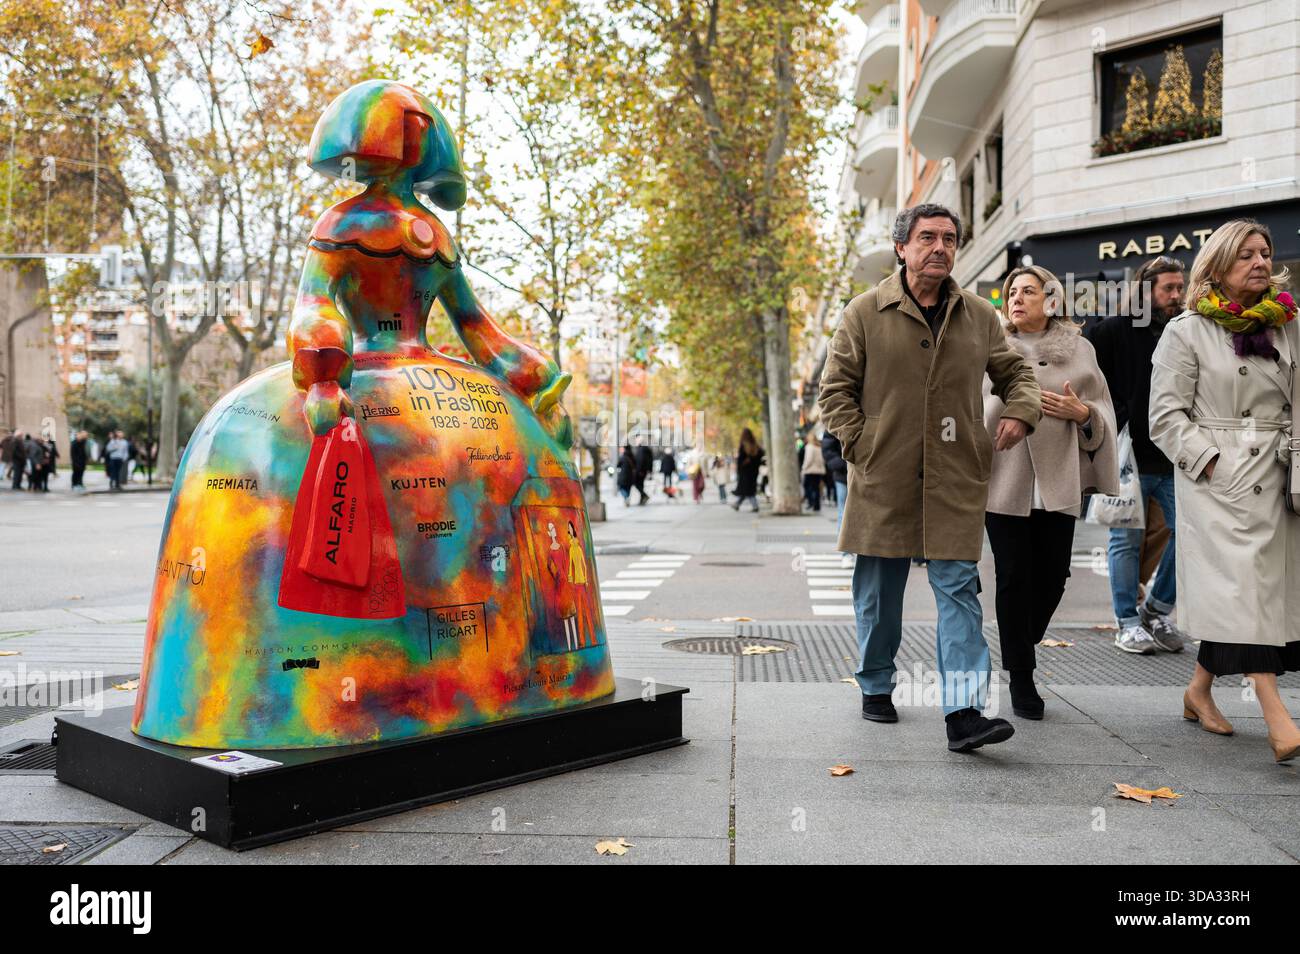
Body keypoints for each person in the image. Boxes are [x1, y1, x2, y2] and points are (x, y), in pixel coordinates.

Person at [818, 203, 1041, 752]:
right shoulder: (864, 312)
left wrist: (1020, 409)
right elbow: (834, 391)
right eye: (927, 238)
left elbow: (1015, 372)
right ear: (902, 248)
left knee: (960, 590)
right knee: (878, 593)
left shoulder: (981, 316)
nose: (939, 247)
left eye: (948, 238)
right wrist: (863, 444)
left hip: (954, 476)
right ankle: (874, 683)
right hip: (882, 476)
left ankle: (964, 712)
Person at [1149, 219, 1300, 763]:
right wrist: (1211, 463)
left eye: (1265, 253)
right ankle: (1274, 709)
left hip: (1282, 473)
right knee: (1246, 588)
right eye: (1246, 256)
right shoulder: (1185, 331)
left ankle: (1198, 689)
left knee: (1255, 591)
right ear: (1216, 267)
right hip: (1221, 479)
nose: (1260, 262)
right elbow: (1164, 419)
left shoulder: (1289, 325)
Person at [983, 266, 1120, 719]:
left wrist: (1081, 413)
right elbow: (970, 403)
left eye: (1028, 291)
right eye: (1011, 293)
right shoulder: (989, 345)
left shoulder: (1080, 348)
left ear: (1052, 299)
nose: (1017, 299)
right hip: (1006, 476)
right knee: (1012, 577)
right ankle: (1022, 676)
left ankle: (1023, 637)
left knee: (1053, 576)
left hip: (1061, 479)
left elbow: (1101, 408)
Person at [1088, 257, 1188, 654]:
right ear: (1146, 291)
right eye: (1169, 288)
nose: (1177, 295)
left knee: (1192, 536)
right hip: (1129, 454)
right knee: (1125, 540)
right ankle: (1127, 622)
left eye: (1180, 287)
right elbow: (1090, 382)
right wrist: (1118, 419)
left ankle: (1157, 609)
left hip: (1175, 455)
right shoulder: (1113, 331)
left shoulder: (1185, 330)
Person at [821, 430, 853, 568]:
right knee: (844, 513)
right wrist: (843, 464)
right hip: (843, 474)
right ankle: (846, 554)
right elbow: (828, 449)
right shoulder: (837, 416)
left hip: (865, 473)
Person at [732, 428, 763, 512]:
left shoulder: (744, 445)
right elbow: (760, 456)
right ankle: (737, 504)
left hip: (745, 472)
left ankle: (754, 506)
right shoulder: (756, 446)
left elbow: (740, 460)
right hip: (753, 471)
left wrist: (742, 465)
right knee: (747, 489)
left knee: (747, 490)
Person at [800, 431, 825, 511]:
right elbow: (822, 460)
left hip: (810, 470)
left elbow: (808, 459)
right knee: (816, 488)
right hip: (818, 471)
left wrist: (804, 467)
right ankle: (817, 505)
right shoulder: (818, 446)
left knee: (807, 487)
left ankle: (811, 502)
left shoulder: (809, 446)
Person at [633, 441, 652, 505]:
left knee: (637, 484)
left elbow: (641, 461)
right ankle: (642, 499)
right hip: (643, 470)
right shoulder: (646, 450)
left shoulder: (641, 450)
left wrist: (640, 470)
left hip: (640, 471)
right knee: (640, 485)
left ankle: (644, 496)